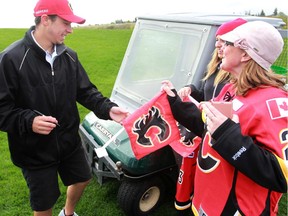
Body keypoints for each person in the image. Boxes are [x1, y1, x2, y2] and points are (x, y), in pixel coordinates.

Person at [0, 0, 129, 216]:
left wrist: (108, 109)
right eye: (65, 23)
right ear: (45, 20)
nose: (70, 29)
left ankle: (68, 213)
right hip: (34, 151)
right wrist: (29, 121)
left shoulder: (69, 56)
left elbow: (85, 91)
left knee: (83, 178)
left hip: (69, 141)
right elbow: (2, 109)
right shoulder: (11, 59)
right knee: (44, 204)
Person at [162, 20, 287, 215]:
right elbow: (209, 128)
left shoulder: (274, 102)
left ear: (245, 54)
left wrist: (229, 135)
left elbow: (282, 175)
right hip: (210, 201)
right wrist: (176, 104)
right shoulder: (230, 88)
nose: (221, 47)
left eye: (228, 43)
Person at [174, 18, 247, 215]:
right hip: (205, 131)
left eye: (223, 40)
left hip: (219, 138)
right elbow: (206, 91)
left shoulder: (241, 77)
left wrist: (176, 106)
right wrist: (191, 89)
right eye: (217, 40)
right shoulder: (217, 66)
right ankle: (192, 199)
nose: (217, 45)